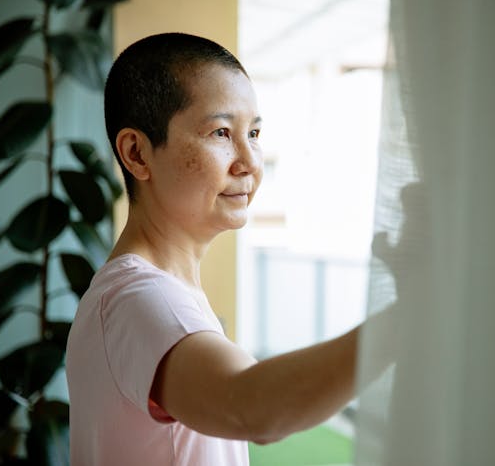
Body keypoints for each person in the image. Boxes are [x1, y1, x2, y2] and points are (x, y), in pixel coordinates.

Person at [65, 32, 394, 466]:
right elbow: (253, 407)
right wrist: (405, 320)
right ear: (137, 154)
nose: (251, 162)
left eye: (253, 132)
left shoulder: (149, 293)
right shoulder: (137, 299)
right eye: (221, 132)